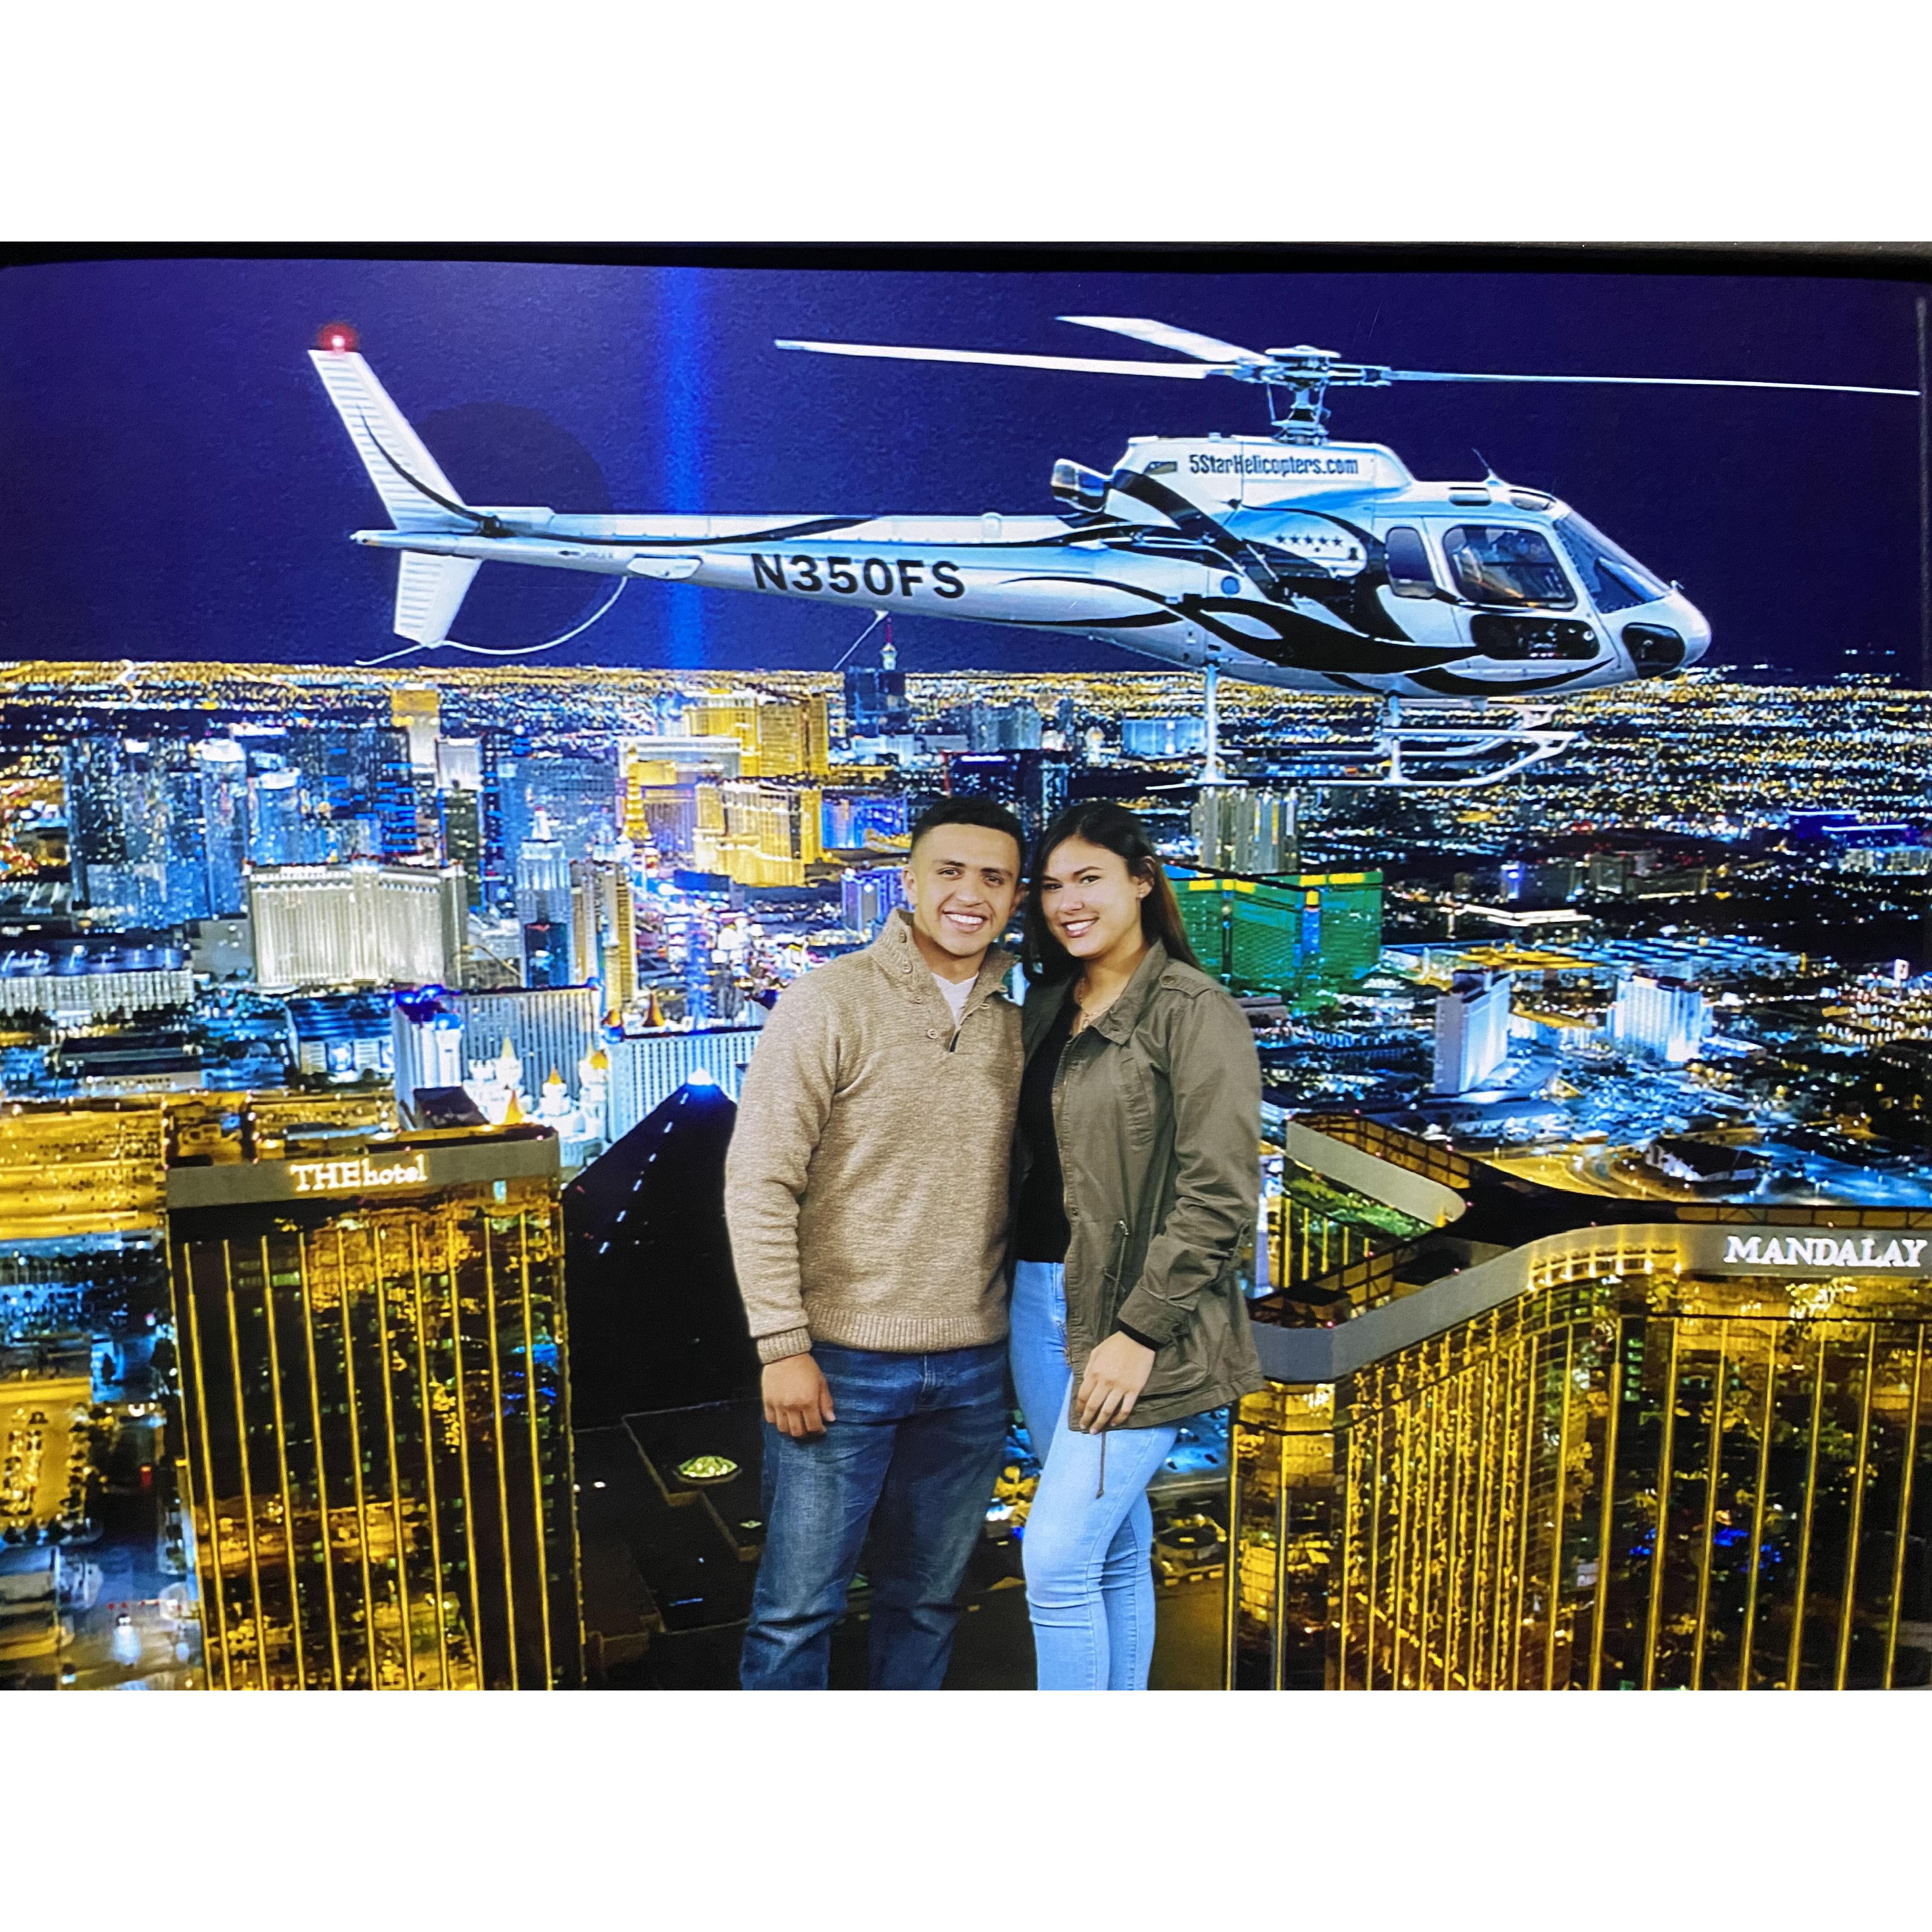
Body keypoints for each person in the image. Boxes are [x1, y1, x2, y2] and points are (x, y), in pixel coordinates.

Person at [726, 795, 1026, 1690]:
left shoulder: (1024, 1022)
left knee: (928, 1604)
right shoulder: (829, 1001)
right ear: (908, 882)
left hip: (975, 1366)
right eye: (950, 871)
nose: (970, 894)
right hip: (841, 1362)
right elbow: (760, 1180)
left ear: (1016, 898)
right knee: (796, 1613)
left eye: (995, 879)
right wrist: (782, 1345)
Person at [1010, 801, 1266, 1691]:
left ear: (1144, 882)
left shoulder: (1196, 1011)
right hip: (1037, 1301)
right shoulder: (1049, 1003)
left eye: (1090, 880)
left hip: (1133, 1317)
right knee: (1111, 1547)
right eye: (1052, 886)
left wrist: (1139, 1331)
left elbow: (1221, 1194)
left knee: (1054, 1561)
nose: (1068, 903)